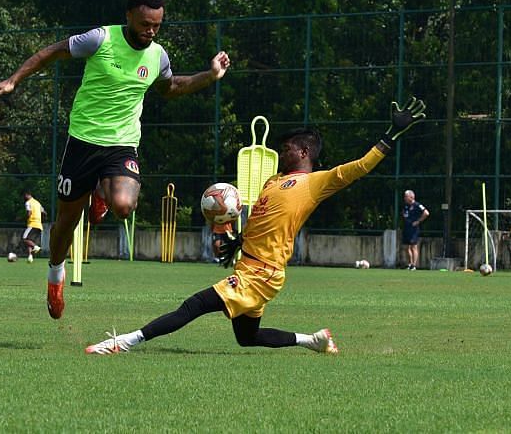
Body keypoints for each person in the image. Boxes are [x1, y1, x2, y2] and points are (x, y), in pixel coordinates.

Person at [85, 98, 426, 355]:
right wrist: (236, 240)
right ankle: (315, 340)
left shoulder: (315, 183)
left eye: (288, 147)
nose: (282, 150)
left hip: (262, 273)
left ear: (304, 151)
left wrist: (391, 134)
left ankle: (124, 342)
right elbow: (261, 223)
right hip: (249, 263)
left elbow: (360, 167)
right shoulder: (273, 181)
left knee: (193, 306)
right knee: (247, 337)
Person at [0, 0, 231, 319]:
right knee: (65, 223)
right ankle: (55, 274)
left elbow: (171, 88)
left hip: (121, 144)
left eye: (157, 25)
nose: (150, 31)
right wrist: (14, 80)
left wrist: (211, 75)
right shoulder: (100, 39)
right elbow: (51, 53)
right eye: (145, 23)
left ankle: (101, 196)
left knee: (125, 206)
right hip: (82, 141)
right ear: (129, 16)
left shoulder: (158, 56)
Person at [401, 190, 429, 270]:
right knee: (406, 247)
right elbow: (404, 214)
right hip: (406, 228)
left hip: (413, 229)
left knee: (414, 246)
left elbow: (426, 213)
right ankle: (409, 264)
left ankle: (414, 265)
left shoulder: (417, 205)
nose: (405, 198)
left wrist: (418, 221)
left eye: (406, 196)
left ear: (411, 197)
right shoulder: (405, 206)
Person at [22, 191, 46, 263]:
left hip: (32, 224)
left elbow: (29, 213)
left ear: (28, 195)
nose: (24, 198)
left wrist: (22, 218)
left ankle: (36, 247)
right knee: (30, 240)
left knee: (25, 239)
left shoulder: (28, 202)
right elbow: (44, 213)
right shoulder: (37, 203)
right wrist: (42, 220)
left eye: (24, 196)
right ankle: (30, 257)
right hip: (39, 225)